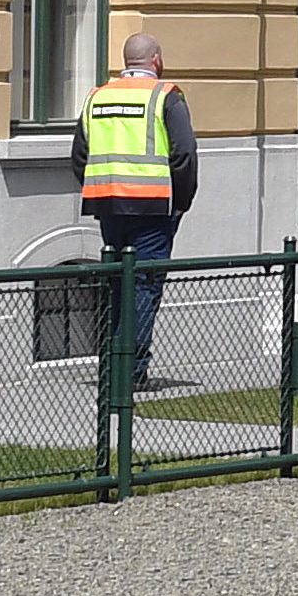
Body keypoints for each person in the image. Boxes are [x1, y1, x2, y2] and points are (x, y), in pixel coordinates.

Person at [70, 33, 198, 366]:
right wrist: (181, 201)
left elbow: (79, 156)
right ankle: (131, 367)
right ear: (156, 59)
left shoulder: (97, 97)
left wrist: (100, 187)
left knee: (117, 284)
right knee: (145, 284)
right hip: (153, 207)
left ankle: (113, 361)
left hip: (108, 206)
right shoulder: (165, 96)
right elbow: (184, 154)